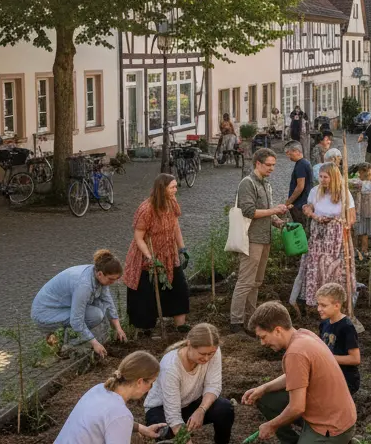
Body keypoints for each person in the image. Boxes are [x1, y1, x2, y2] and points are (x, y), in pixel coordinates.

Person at [243, 302, 356, 444]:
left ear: (278, 330)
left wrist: (271, 425)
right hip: (337, 415)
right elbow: (296, 376)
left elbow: (297, 408)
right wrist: (264, 388)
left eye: (263, 337)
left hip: (332, 427)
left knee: (292, 408)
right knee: (265, 399)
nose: (262, 343)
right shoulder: (304, 334)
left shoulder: (295, 353)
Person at [144, 323, 235, 444]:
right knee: (165, 432)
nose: (207, 358)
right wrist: (187, 441)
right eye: (202, 354)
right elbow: (173, 416)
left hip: (190, 402)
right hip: (162, 408)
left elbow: (213, 385)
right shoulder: (170, 367)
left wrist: (201, 410)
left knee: (225, 408)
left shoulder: (213, 349)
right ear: (189, 344)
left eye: (210, 354)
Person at [230, 148, 289, 335]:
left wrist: (277, 221)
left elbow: (266, 211)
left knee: (256, 282)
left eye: (274, 165)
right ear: (258, 163)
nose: (272, 168)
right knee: (245, 281)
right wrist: (274, 211)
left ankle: (250, 320)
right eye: (268, 165)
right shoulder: (247, 184)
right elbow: (249, 211)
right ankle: (236, 321)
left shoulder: (266, 183)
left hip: (264, 238)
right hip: (251, 239)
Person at [124, 173, 190, 335]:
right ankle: (145, 329)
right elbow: (138, 238)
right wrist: (149, 257)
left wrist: (182, 248)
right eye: (172, 187)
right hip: (147, 256)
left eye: (176, 186)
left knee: (179, 287)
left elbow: (175, 227)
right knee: (146, 293)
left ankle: (180, 325)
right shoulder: (146, 209)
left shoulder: (172, 203)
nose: (176, 189)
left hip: (169, 254)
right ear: (162, 188)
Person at [31, 249, 126, 359]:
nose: (113, 282)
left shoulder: (96, 273)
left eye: (116, 279)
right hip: (45, 314)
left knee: (100, 306)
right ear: (100, 274)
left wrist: (118, 328)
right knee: (95, 315)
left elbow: (108, 302)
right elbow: (76, 320)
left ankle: (66, 336)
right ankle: (66, 344)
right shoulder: (84, 285)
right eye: (111, 279)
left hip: (62, 307)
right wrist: (94, 343)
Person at [56, 351, 166, 443]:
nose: (150, 388)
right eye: (151, 383)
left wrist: (142, 429)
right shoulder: (120, 414)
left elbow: (109, 421)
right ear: (140, 382)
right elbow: (117, 419)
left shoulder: (98, 389)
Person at [302, 163, 356, 307]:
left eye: (326, 177)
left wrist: (342, 224)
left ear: (334, 177)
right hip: (318, 235)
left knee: (335, 267)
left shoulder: (344, 193)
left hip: (336, 237)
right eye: (320, 177)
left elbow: (352, 217)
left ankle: (335, 300)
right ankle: (317, 299)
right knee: (317, 264)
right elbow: (308, 208)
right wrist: (314, 215)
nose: (322, 180)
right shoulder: (315, 191)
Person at [316, 283, 361, 396]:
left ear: (337, 306)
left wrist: (327, 358)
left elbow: (355, 359)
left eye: (323, 305)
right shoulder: (324, 324)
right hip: (329, 376)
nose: (319, 309)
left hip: (345, 379)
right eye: (318, 304)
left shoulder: (346, 327)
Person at [351, 162, 371, 260]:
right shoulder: (370, 185)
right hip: (367, 211)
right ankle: (364, 251)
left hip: (356, 211)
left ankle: (354, 250)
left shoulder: (355, 183)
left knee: (355, 231)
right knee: (365, 232)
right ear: (368, 174)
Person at [284, 141, 313, 227]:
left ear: (296, 151)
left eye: (289, 153)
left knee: (300, 228)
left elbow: (300, 186)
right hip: (303, 202)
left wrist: (288, 202)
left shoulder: (301, 165)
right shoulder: (304, 163)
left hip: (300, 204)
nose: (288, 156)